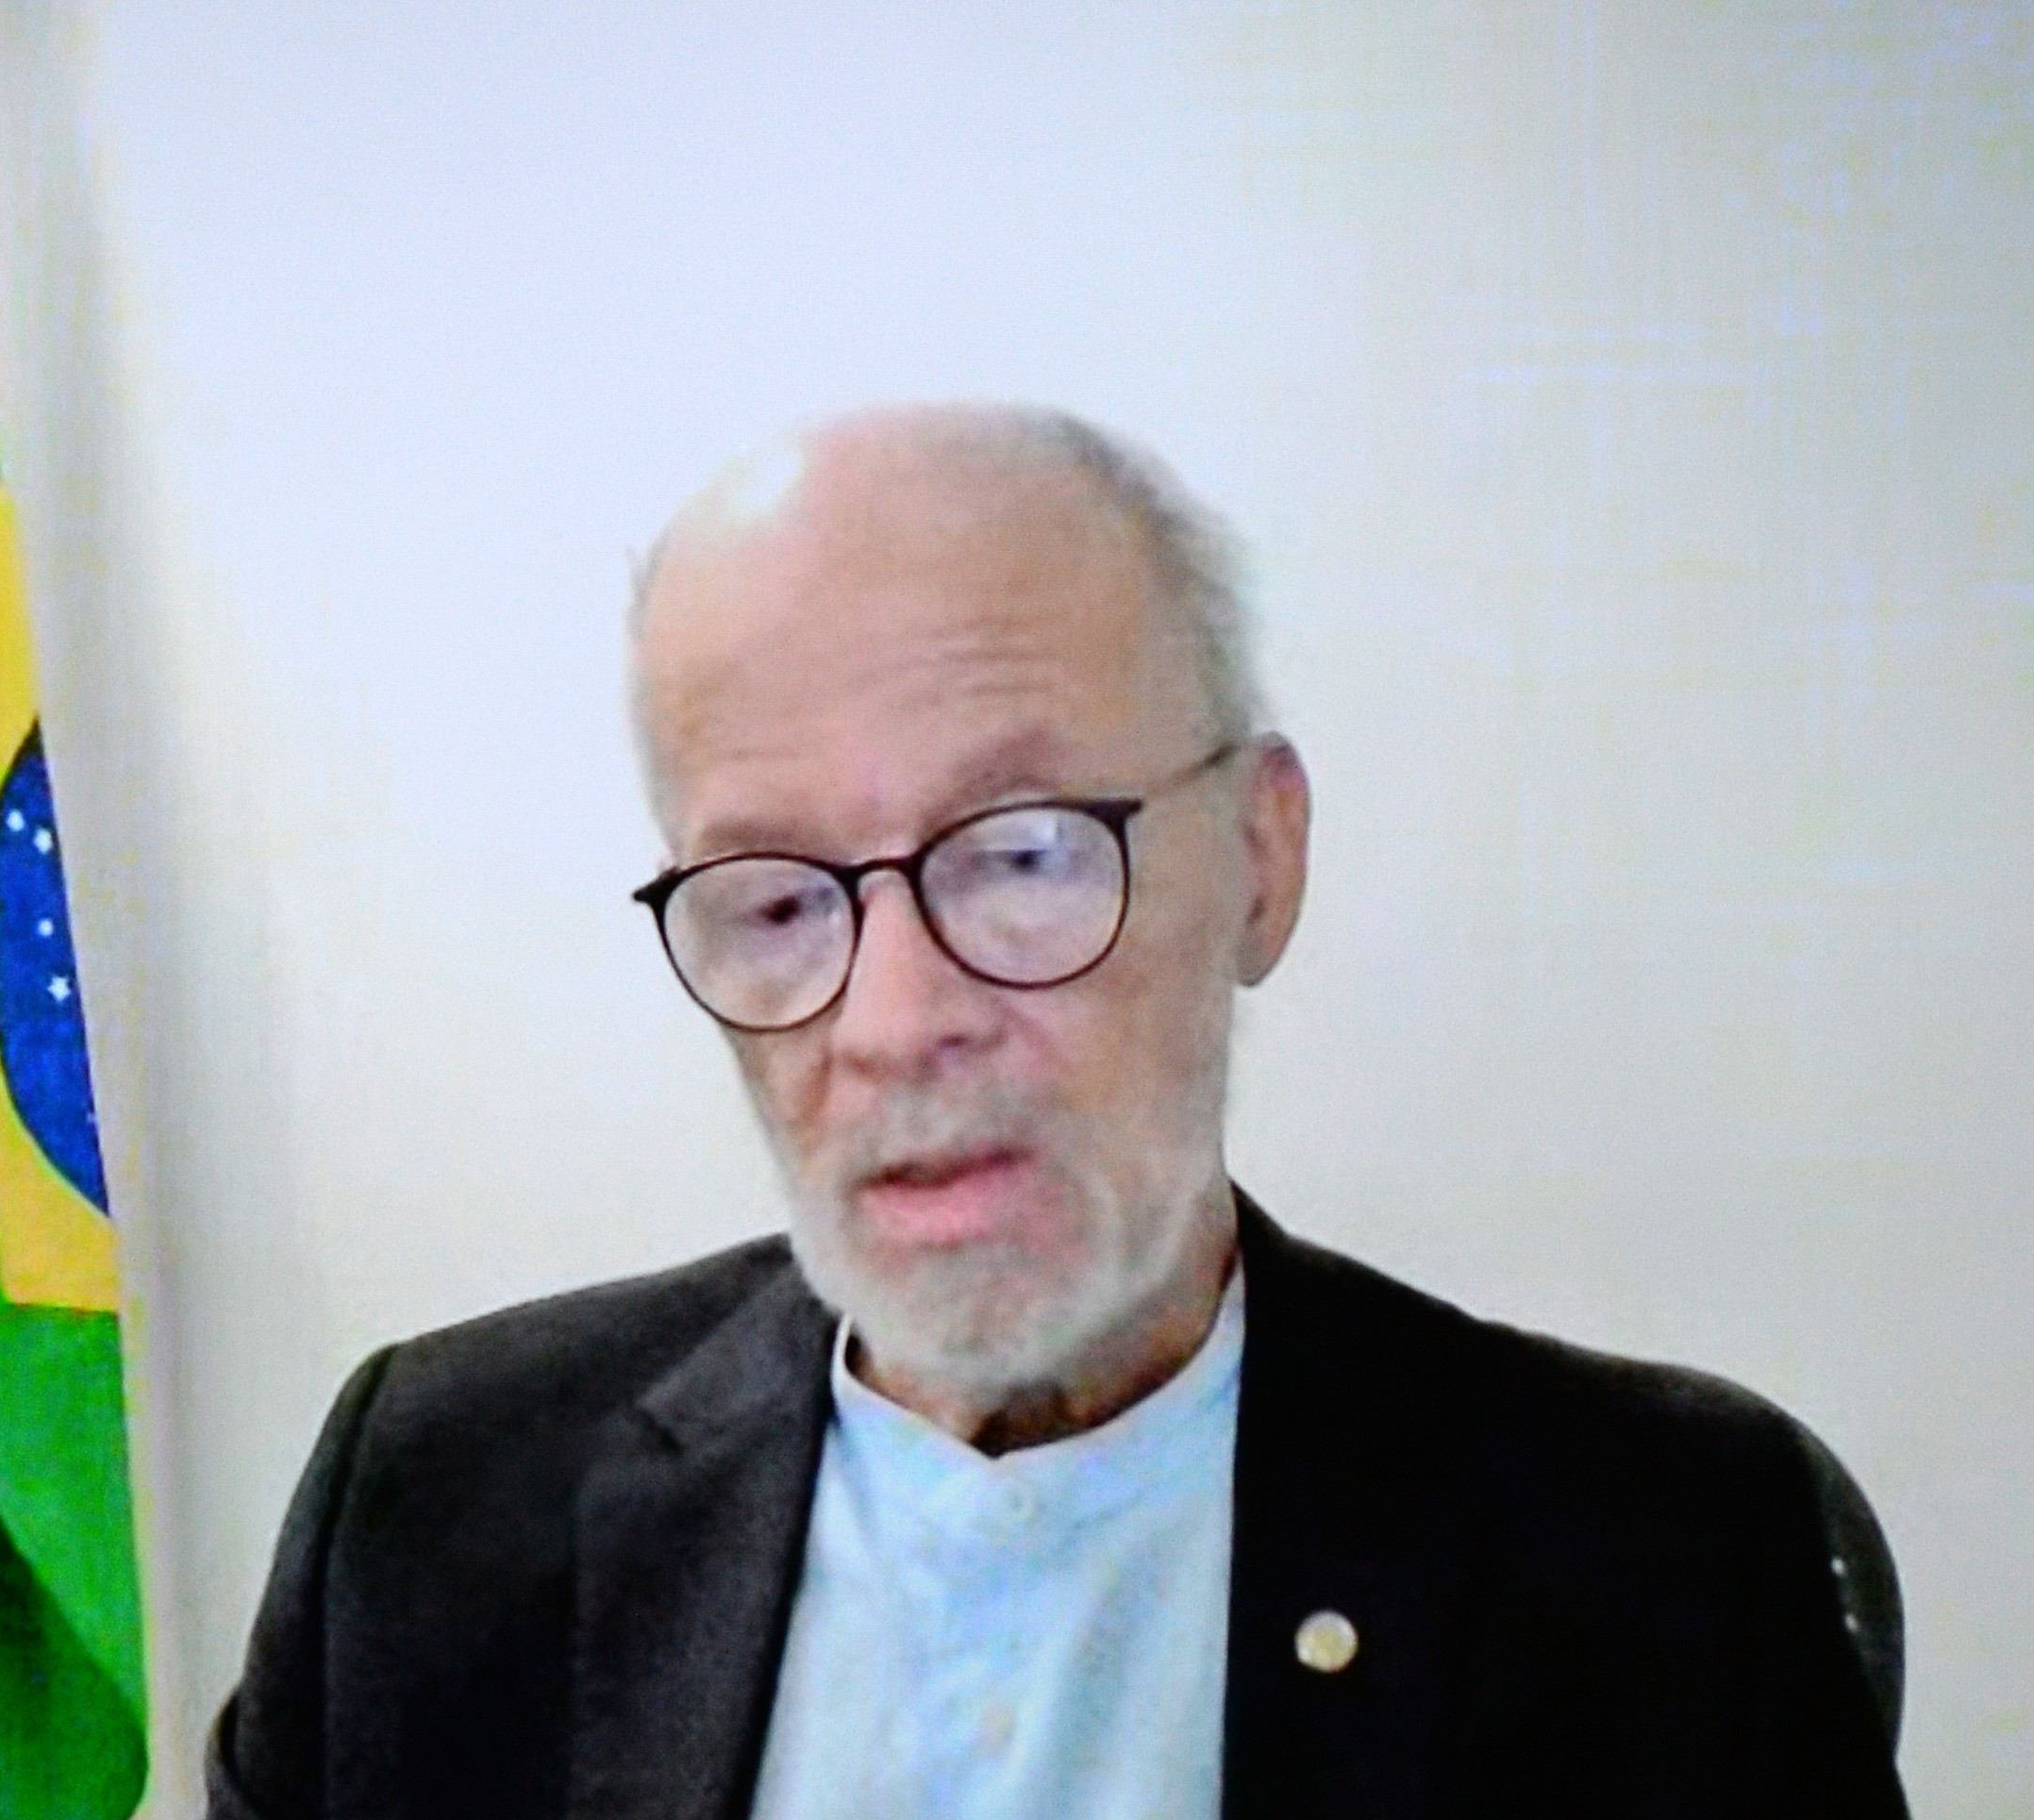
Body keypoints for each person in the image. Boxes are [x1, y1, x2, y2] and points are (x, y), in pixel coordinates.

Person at [206, 403, 1910, 1818]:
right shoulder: (434, 1509)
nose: (895, 1024)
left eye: (1024, 856)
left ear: (1259, 855)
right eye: (777, 898)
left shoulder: (1657, 1557)